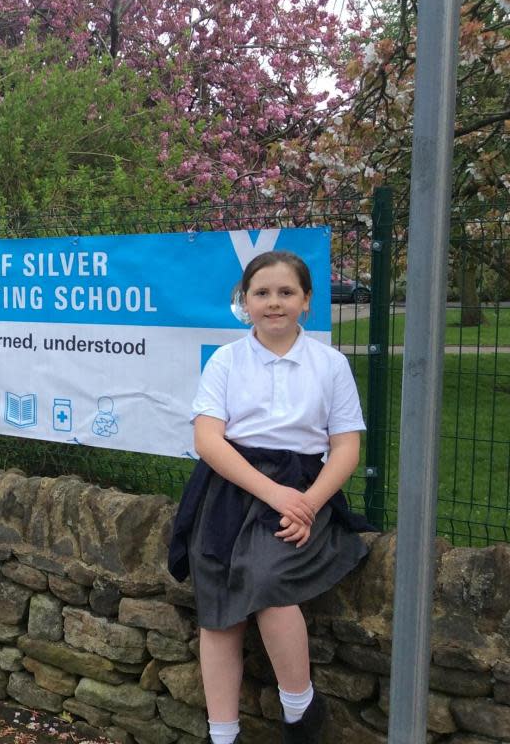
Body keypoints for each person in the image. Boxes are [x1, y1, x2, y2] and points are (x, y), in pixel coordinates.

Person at [167, 250, 373, 744]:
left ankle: (301, 710)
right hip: (232, 487)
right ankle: (223, 735)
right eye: (261, 293)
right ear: (245, 301)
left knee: (267, 577)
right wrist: (275, 494)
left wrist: (308, 503)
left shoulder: (330, 364)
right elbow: (208, 440)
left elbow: (346, 445)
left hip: (305, 486)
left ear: (306, 301)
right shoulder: (227, 360)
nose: (273, 303)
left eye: (286, 293)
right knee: (217, 603)